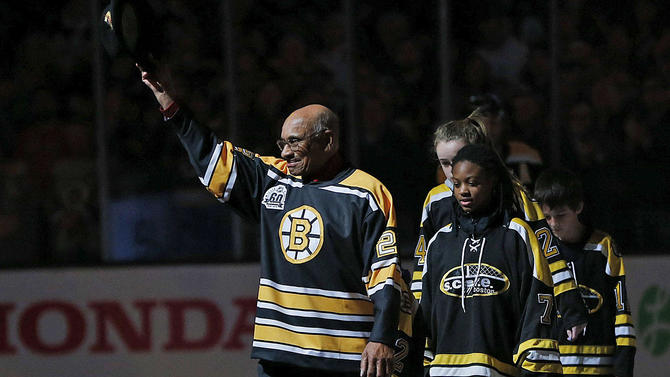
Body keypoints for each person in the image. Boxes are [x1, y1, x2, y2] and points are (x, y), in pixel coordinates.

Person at [136, 64, 417, 377]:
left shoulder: (367, 193)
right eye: (282, 143)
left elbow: (384, 273)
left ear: (327, 141)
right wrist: (170, 103)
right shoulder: (273, 179)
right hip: (279, 357)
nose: (286, 153)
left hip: (345, 356)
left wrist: (381, 336)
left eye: (295, 142)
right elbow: (211, 156)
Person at [410, 113, 588, 348]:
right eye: (444, 163)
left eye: (458, 159)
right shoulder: (435, 200)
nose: (453, 171)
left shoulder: (514, 194)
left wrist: (570, 304)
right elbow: (422, 262)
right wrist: (416, 314)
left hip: (500, 309)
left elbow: (548, 250)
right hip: (451, 312)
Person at [420, 144, 561, 376]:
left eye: (472, 183)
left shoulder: (517, 235)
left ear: (493, 182)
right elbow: (425, 313)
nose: (463, 191)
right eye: (457, 184)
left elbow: (537, 307)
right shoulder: (439, 242)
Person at [534, 168, 636, 377]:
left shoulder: (603, 247)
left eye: (561, 215)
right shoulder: (539, 250)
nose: (553, 224)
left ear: (579, 206)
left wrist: (624, 366)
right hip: (554, 366)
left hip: (599, 365)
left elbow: (622, 312)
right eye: (547, 217)